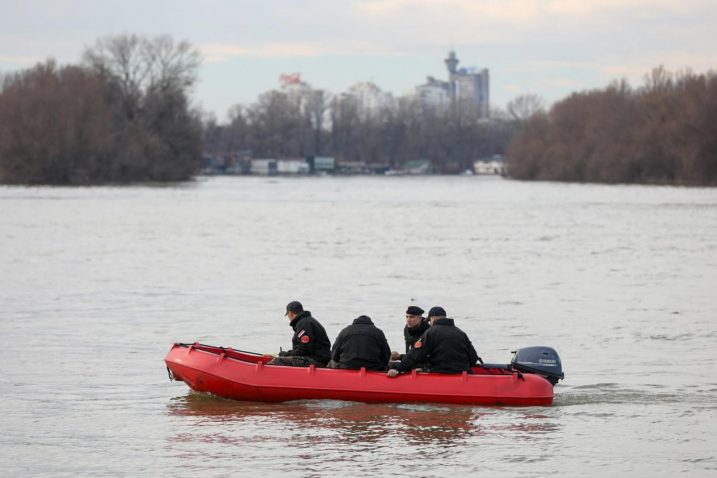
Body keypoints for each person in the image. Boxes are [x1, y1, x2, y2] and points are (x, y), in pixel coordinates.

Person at [387, 306, 479, 377]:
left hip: (440, 372)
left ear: (433, 319)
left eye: (429, 321)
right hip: (462, 372)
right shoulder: (460, 332)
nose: (429, 324)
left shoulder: (431, 332)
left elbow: (415, 354)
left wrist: (398, 369)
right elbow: (473, 358)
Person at [267, 301, 332, 367]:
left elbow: (304, 350)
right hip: (320, 358)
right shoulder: (307, 321)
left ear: (290, 313)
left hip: (317, 360)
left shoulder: (304, 324)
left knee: (277, 361)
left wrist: (285, 354)